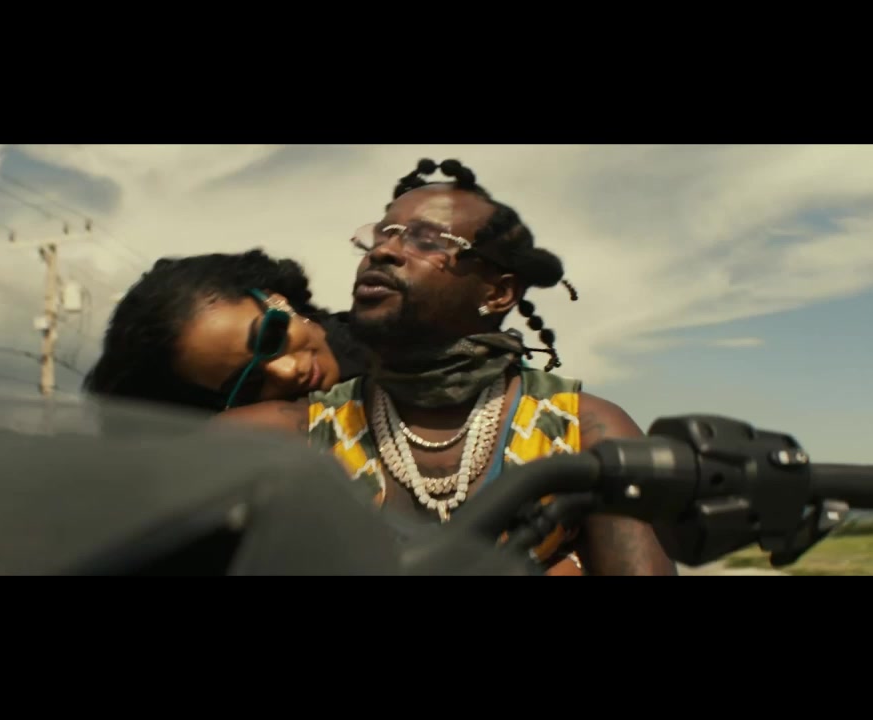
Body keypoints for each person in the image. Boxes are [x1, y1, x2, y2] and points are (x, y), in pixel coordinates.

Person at [217, 159, 677, 576]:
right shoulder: (295, 435)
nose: (383, 251)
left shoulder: (582, 432)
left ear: (498, 293)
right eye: (381, 235)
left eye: (427, 240)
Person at [84, 249, 370, 413]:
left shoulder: (390, 353)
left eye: (270, 338)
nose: (287, 371)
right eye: (249, 384)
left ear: (277, 300)